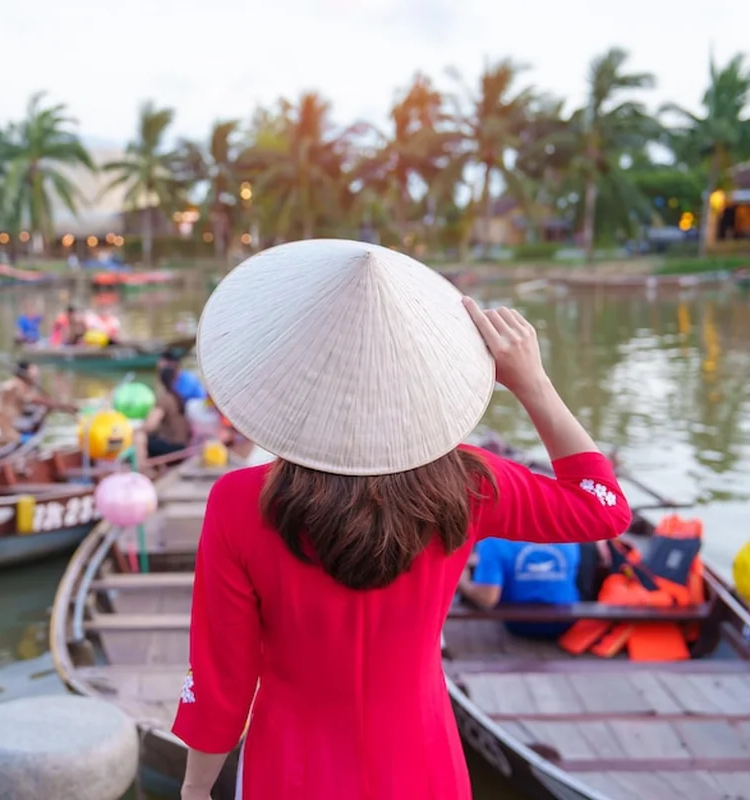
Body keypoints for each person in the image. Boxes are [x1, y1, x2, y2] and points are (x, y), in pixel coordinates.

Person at [170, 240, 631, 800]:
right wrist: (531, 381)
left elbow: (222, 683)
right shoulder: (470, 484)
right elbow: (601, 506)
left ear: (292, 375)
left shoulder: (240, 501)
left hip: (291, 770)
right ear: (422, 374)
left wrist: (196, 789)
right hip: (424, 767)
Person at [457, 539, 595, 638]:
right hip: (566, 622)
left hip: (518, 625)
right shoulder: (569, 534)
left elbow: (487, 598)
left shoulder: (493, 541)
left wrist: (462, 581)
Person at [0, 362, 76, 442]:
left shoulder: (29, 386)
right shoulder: (13, 387)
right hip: (9, 430)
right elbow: (34, 399)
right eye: (33, 371)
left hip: (22, 426)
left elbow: (45, 403)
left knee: (46, 408)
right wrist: (60, 405)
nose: (36, 374)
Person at [138, 366, 192, 459]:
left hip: (173, 448)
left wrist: (135, 429)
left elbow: (150, 425)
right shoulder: (178, 397)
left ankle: (143, 468)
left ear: (160, 381)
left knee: (139, 436)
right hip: (183, 445)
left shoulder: (164, 399)